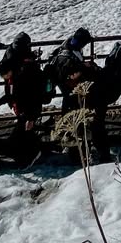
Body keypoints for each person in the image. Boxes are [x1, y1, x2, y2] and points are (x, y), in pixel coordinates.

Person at [47, 27, 111, 162]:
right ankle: (79, 157)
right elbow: (70, 78)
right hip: (75, 97)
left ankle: (78, 155)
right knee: (81, 127)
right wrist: (84, 70)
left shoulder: (67, 49)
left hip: (72, 96)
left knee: (77, 127)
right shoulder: (68, 59)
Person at [0, 32, 47, 166]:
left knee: (23, 132)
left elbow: (32, 96)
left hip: (29, 109)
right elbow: (14, 94)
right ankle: (31, 153)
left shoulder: (23, 74)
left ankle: (32, 155)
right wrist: (0, 102)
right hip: (26, 108)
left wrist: (31, 117)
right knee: (24, 132)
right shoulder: (19, 73)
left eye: (4, 76)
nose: (4, 79)